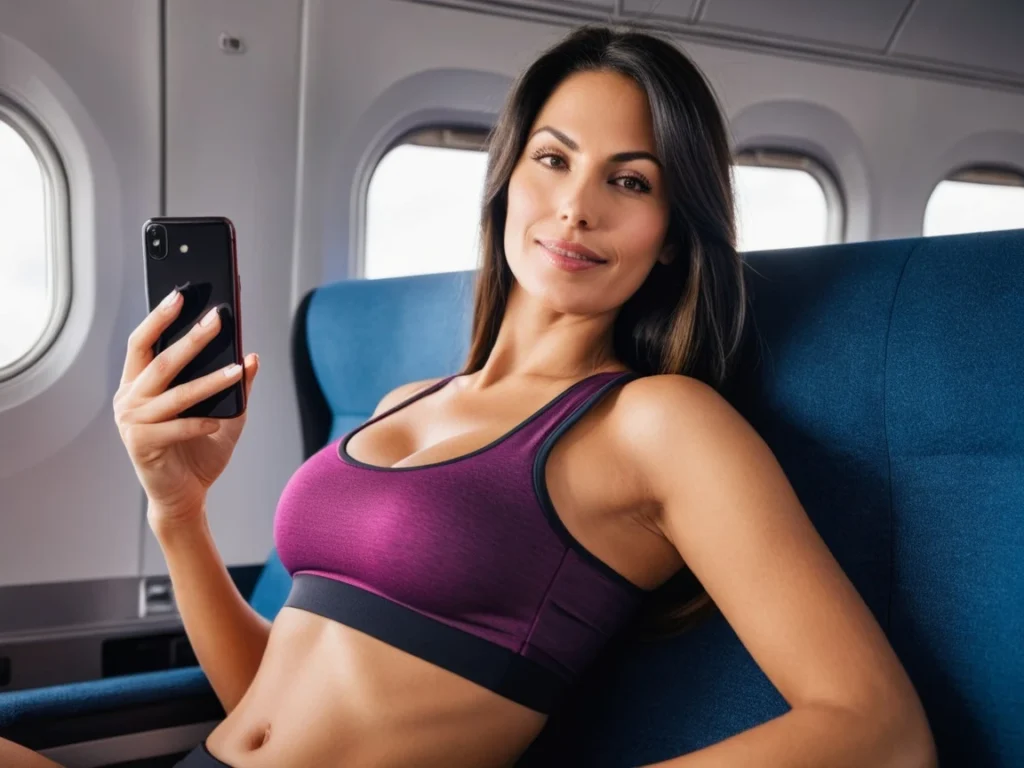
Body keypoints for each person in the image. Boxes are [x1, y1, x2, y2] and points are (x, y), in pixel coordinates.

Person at [1, 24, 937, 768]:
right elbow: (263, 705)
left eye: (630, 180)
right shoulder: (405, 400)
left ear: (674, 232)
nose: (577, 206)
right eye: (553, 158)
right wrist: (177, 509)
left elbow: (877, 730)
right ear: (505, 181)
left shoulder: (658, 423)